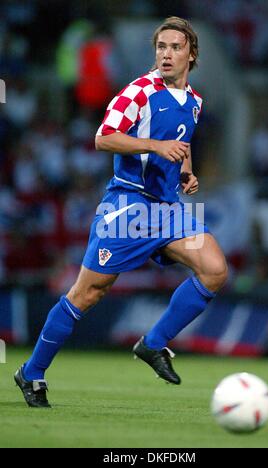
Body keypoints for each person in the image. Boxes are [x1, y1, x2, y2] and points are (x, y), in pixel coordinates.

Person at [15, 17, 228, 408]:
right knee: (88, 293)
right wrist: (155, 146)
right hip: (129, 207)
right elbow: (103, 138)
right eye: (160, 46)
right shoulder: (138, 91)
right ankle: (31, 372)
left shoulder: (195, 102)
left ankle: (154, 344)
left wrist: (186, 172)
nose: (166, 54)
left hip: (168, 210)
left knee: (214, 269)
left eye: (175, 47)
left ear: (191, 54)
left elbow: (180, 141)